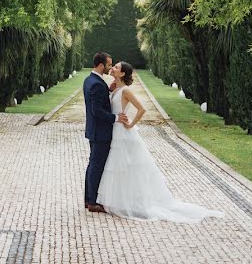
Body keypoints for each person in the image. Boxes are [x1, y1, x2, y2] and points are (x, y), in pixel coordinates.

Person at [96, 61, 224, 223]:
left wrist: (131, 124)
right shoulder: (115, 88)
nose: (112, 68)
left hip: (124, 133)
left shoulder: (126, 91)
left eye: (116, 67)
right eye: (113, 66)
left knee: (127, 166)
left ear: (122, 74)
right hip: (115, 131)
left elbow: (141, 109)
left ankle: (133, 202)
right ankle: (120, 200)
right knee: (119, 166)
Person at [83, 52, 128, 212]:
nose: (110, 68)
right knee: (96, 166)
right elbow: (97, 111)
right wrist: (116, 118)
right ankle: (93, 202)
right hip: (100, 132)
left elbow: (98, 101)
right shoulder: (96, 83)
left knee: (92, 164)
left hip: (94, 130)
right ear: (101, 65)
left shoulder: (90, 80)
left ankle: (89, 199)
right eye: (109, 65)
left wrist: (108, 91)